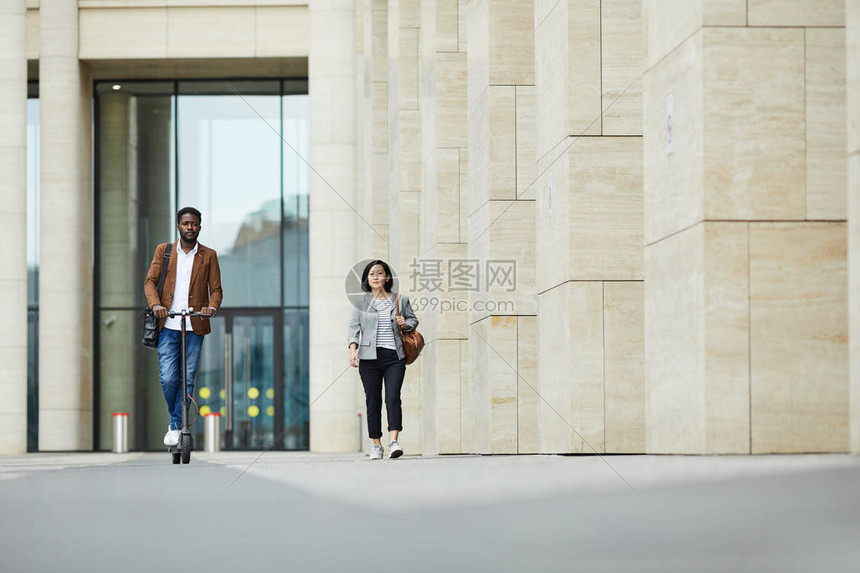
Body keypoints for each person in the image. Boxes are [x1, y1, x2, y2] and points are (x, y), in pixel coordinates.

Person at [144, 207, 223, 447]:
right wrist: (156, 304)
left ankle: (177, 426)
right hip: (168, 324)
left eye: (194, 224)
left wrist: (211, 307)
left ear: (200, 226)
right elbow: (150, 281)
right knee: (169, 378)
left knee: (187, 379)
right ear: (178, 225)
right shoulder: (164, 251)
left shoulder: (208, 255)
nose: (190, 227)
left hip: (195, 324)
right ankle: (175, 421)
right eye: (186, 223)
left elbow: (216, 290)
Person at [347, 260, 419, 460]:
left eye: (380, 273)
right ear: (367, 279)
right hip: (369, 358)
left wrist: (406, 324)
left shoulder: (400, 300)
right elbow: (353, 328)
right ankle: (376, 444)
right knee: (373, 401)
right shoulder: (361, 303)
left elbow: (413, 320)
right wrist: (353, 350)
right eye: (372, 274)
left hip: (394, 356)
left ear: (387, 277)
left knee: (393, 397)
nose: (376, 277)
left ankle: (394, 441)